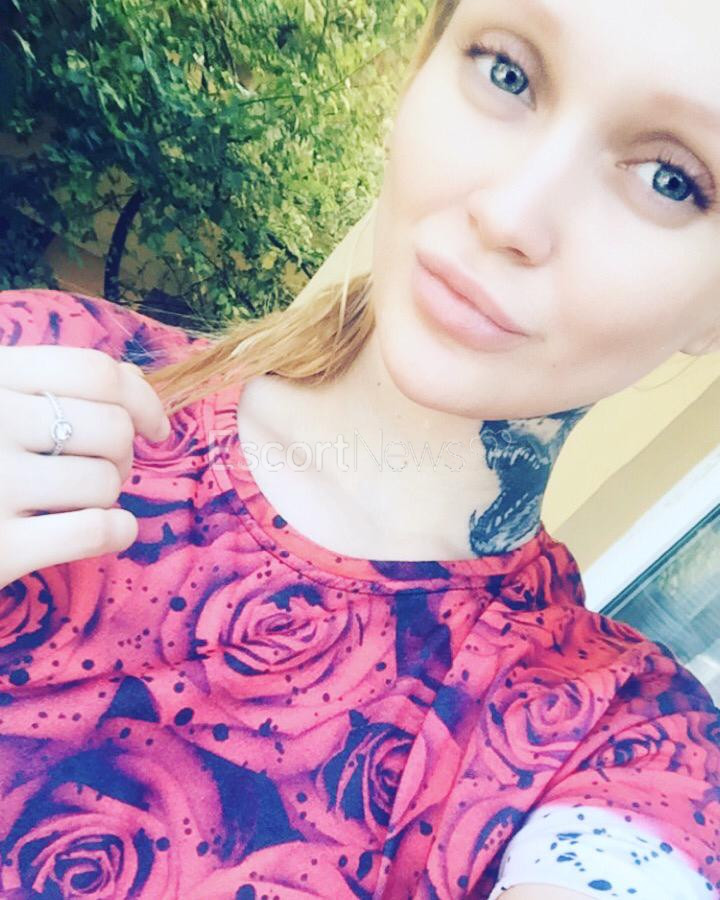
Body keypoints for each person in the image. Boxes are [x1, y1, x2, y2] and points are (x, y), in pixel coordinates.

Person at [0, 0, 719, 897]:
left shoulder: (619, 742)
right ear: (420, 73)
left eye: (670, 179)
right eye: (507, 73)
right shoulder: (44, 373)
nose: (511, 212)